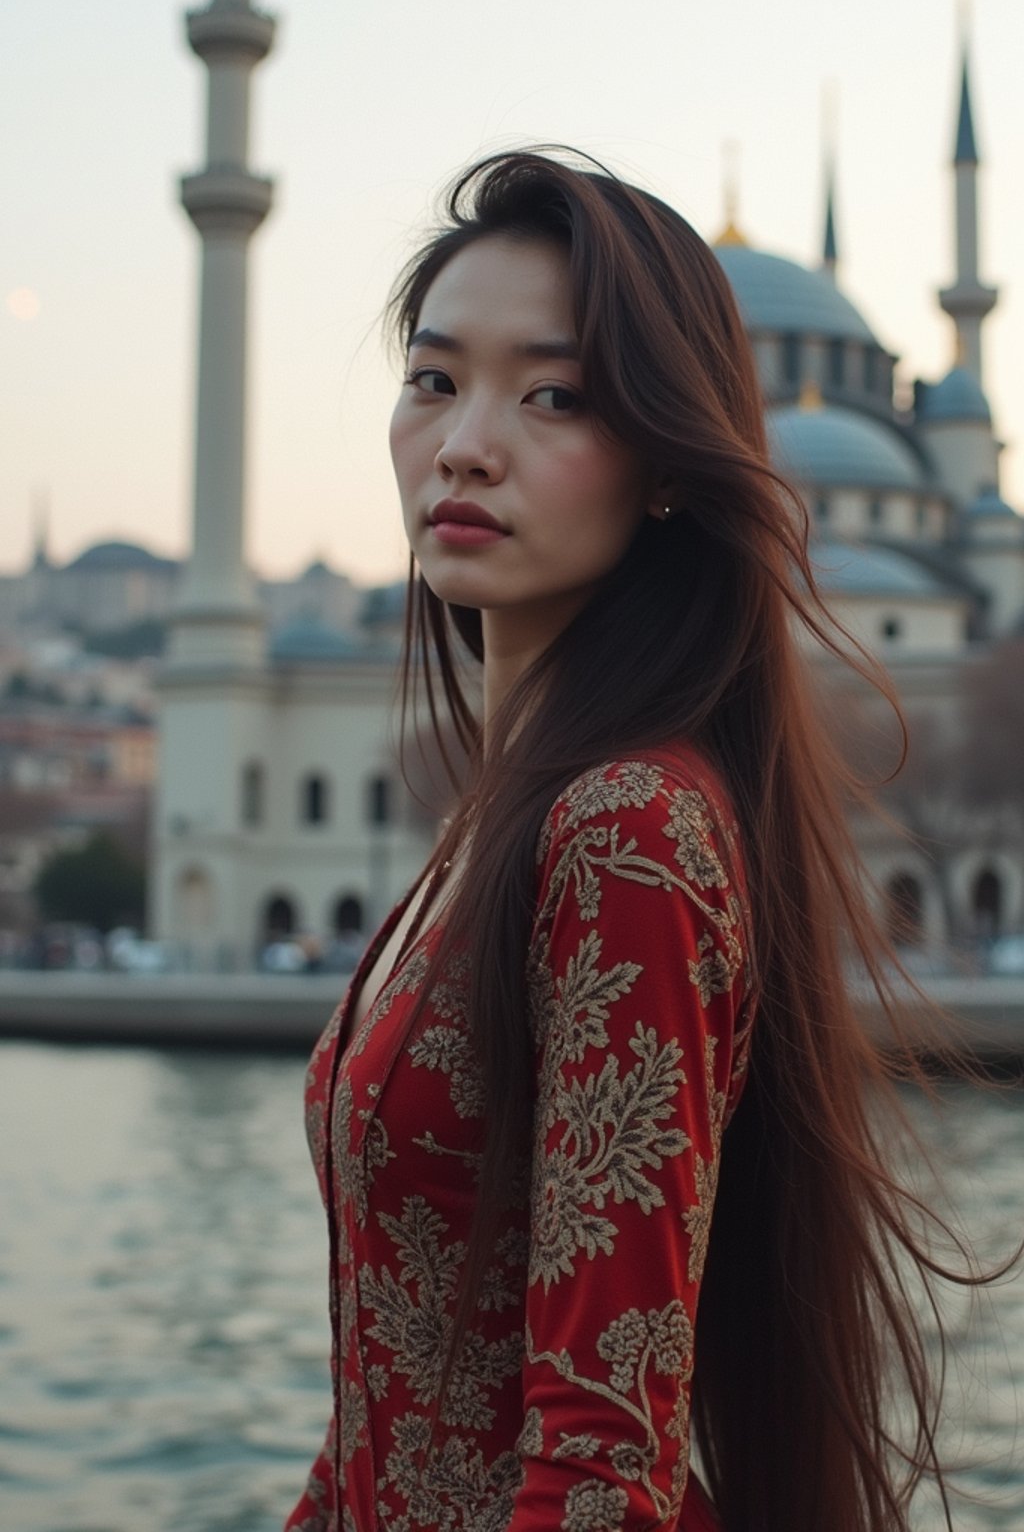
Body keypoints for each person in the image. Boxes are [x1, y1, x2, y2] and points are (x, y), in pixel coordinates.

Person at [285, 150, 986, 1532]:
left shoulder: (628, 830)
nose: (466, 442)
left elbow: (600, 1464)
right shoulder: (495, 823)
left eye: (552, 395)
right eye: (434, 380)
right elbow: (380, 1404)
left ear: (668, 464)